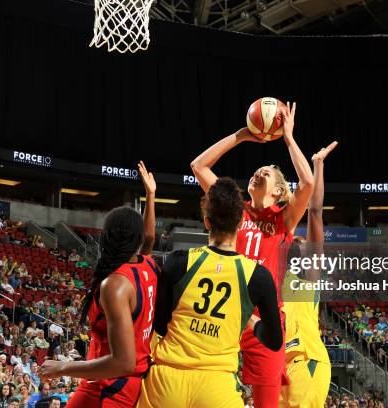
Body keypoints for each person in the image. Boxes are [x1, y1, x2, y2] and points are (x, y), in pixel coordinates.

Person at [191, 101, 314, 407]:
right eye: (258, 170)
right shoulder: (234, 208)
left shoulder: (283, 218)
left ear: (278, 192)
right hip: (224, 314)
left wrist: (288, 138)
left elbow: (308, 183)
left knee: (266, 403)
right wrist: (241, 136)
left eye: (268, 173)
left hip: (265, 319)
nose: (260, 171)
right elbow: (199, 167)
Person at [137, 177, 283, 408]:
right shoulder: (258, 276)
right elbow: (274, 341)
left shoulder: (177, 262)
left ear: (206, 222)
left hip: (168, 380)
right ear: (240, 223)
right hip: (217, 386)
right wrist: (252, 321)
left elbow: (160, 325)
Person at [40, 161, 158, 408]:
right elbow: (148, 240)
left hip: (112, 385)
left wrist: (63, 367)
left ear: (105, 237)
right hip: (112, 382)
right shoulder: (147, 266)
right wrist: (150, 196)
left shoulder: (115, 285)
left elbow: (123, 362)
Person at [280, 143, 337, 407]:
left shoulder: (308, 276)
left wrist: (318, 165)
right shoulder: (275, 277)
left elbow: (314, 211)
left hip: (307, 361)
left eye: (303, 242)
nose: (301, 240)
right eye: (297, 239)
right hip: (283, 367)